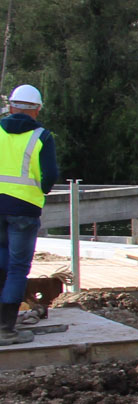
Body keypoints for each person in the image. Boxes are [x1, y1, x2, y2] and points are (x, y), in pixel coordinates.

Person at [0, 84, 56, 344]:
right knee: (17, 268)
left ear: (11, 106)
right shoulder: (42, 136)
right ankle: (5, 329)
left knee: (2, 264)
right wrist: (41, 190)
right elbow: (50, 175)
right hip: (24, 208)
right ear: (37, 109)